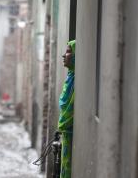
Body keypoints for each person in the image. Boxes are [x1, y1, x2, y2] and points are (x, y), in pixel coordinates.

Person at [58, 40, 75, 178]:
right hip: (65, 132)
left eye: (69, 52)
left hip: (70, 132)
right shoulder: (70, 78)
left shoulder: (76, 81)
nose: (64, 55)